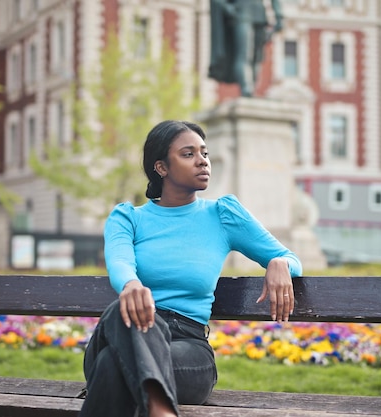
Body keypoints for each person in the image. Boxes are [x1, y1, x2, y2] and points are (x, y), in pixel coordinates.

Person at [78, 120, 302, 417]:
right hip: (130, 327)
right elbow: (120, 261)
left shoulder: (222, 215)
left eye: (204, 153)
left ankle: (157, 407)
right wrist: (131, 286)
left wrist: (279, 262)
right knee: (124, 313)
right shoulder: (128, 218)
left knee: (109, 365)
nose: (203, 161)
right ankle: (160, 409)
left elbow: (289, 257)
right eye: (188, 154)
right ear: (161, 168)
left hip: (188, 351)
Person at [208, 0, 283, 97]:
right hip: (241, 13)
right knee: (245, 55)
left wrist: (279, 15)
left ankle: (252, 89)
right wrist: (227, 8)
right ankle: (246, 89)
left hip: (260, 14)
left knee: (257, 57)